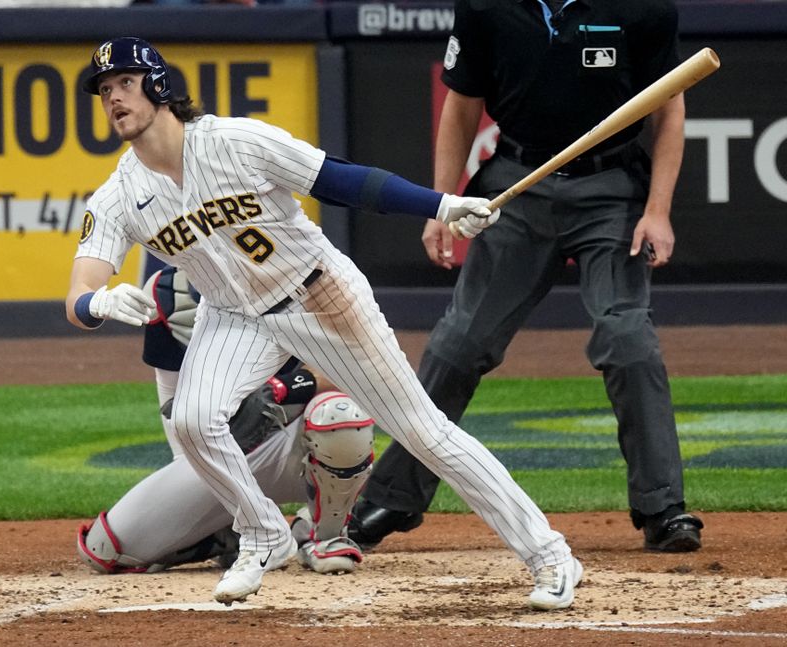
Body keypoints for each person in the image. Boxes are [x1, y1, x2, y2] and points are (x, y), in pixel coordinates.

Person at [65, 36, 580, 611]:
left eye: (126, 84)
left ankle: (550, 555)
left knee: (422, 432)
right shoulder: (118, 196)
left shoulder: (235, 141)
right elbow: (80, 290)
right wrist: (99, 304)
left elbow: (343, 180)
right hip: (234, 317)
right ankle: (263, 533)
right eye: (105, 91)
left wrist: (440, 206)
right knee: (192, 419)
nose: (113, 98)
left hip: (320, 294)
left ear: (158, 86)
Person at [349, 0, 704, 554]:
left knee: (627, 338)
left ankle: (663, 507)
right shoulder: (486, 8)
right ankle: (394, 494)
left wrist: (658, 210)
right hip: (517, 185)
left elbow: (668, 109)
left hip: (612, 190)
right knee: (460, 344)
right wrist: (441, 204)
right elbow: (463, 107)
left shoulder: (644, 8)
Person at [77, 266, 374, 577]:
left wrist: (281, 388)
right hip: (222, 458)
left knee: (340, 412)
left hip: (294, 449)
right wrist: (204, 493)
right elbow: (173, 406)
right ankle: (226, 533)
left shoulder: (307, 272)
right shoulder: (169, 292)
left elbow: (361, 366)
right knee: (105, 550)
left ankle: (323, 534)